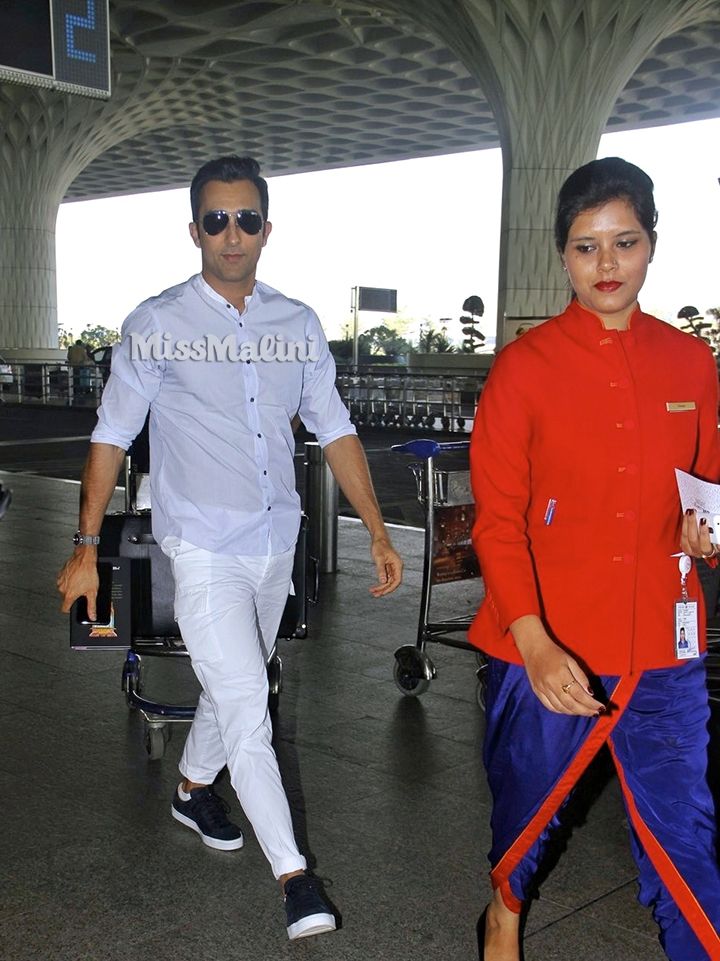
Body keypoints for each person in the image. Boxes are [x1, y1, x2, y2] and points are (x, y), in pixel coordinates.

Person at [57, 155, 403, 941]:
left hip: (275, 539)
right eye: (216, 220)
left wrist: (377, 529)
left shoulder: (299, 324)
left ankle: (188, 786)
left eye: (246, 218)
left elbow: (337, 427)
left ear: (267, 228)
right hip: (202, 544)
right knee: (251, 700)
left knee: (238, 678)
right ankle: (294, 876)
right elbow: (111, 434)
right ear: (194, 230)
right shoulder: (157, 323)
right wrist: (85, 544)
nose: (232, 234)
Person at [470, 157, 720, 961]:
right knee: (526, 821)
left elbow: (707, 485)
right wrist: (535, 645)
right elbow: (498, 524)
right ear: (562, 254)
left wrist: (704, 528)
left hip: (660, 650)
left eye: (625, 242)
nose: (607, 266)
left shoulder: (692, 364)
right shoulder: (524, 367)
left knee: (685, 839)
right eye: (586, 247)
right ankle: (503, 913)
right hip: (545, 646)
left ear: (652, 244)